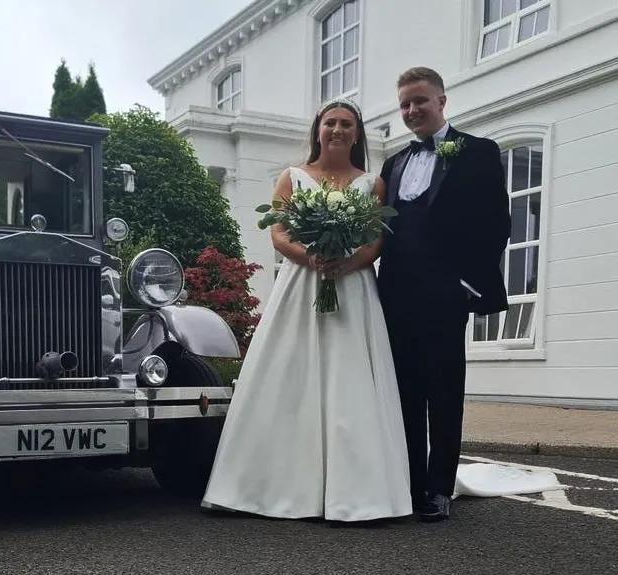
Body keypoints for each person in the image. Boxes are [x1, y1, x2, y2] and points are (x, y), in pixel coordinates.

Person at [200, 98, 414, 523]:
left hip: (352, 286)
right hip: (301, 284)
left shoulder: (371, 183)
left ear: (357, 134)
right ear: (318, 129)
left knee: (349, 376)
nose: (337, 130)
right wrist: (310, 257)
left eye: (347, 124)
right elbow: (278, 233)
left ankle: (358, 491)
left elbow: (376, 240)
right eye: (330, 123)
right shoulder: (293, 177)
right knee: (288, 372)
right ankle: (264, 484)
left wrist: (350, 262)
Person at [376, 66, 511, 522]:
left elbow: (497, 223)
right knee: (406, 392)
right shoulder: (393, 163)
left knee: (445, 390)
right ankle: (412, 485)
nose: (413, 110)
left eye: (420, 101)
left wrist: (466, 286)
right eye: (405, 105)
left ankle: (439, 489)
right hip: (395, 293)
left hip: (447, 292)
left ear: (441, 101)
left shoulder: (479, 152)